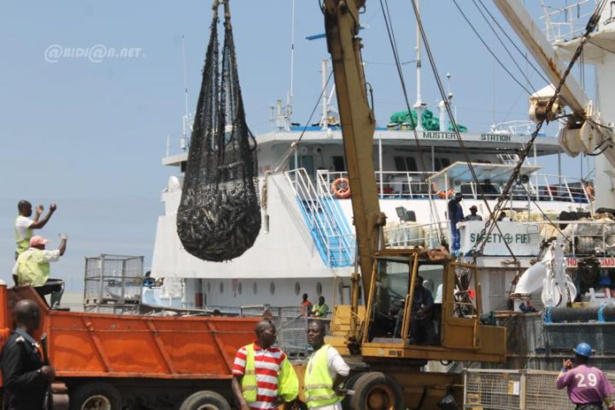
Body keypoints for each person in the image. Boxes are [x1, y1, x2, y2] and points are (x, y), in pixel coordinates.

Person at [0, 299, 55, 410]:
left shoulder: (28, 342)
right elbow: (11, 381)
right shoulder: (17, 344)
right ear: (34, 316)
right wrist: (41, 373)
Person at [231, 320, 298, 410]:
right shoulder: (244, 352)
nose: (275, 335)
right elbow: (235, 381)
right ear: (261, 333)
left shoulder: (279, 354)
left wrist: (284, 397)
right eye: (272, 332)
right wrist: (243, 404)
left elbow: (288, 378)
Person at [304, 320, 350, 409]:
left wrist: (334, 386)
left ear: (323, 334)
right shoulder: (313, 355)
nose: (310, 334)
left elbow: (344, 370)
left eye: (315, 331)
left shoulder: (329, 352)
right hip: (316, 406)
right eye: (308, 331)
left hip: (328, 406)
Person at [13, 235, 67, 308]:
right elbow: (60, 252)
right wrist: (64, 239)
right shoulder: (41, 254)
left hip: (26, 287)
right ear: (38, 245)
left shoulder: (22, 256)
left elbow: (14, 273)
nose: (44, 246)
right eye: (43, 244)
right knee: (60, 284)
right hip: (39, 285)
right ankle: (55, 306)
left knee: (45, 309)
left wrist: (17, 286)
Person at [556, 342, 615, 410]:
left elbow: (558, 384)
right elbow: (606, 397)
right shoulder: (599, 372)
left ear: (576, 356)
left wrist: (564, 369)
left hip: (581, 408)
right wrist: (612, 408)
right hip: (597, 407)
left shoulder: (573, 372)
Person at [410, 276, 435, 345]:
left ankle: (414, 339)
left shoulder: (426, 292)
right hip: (413, 312)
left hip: (423, 314)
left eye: (416, 282)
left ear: (420, 283)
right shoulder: (411, 291)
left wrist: (422, 310)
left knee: (414, 319)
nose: (414, 283)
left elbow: (429, 304)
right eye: (413, 281)